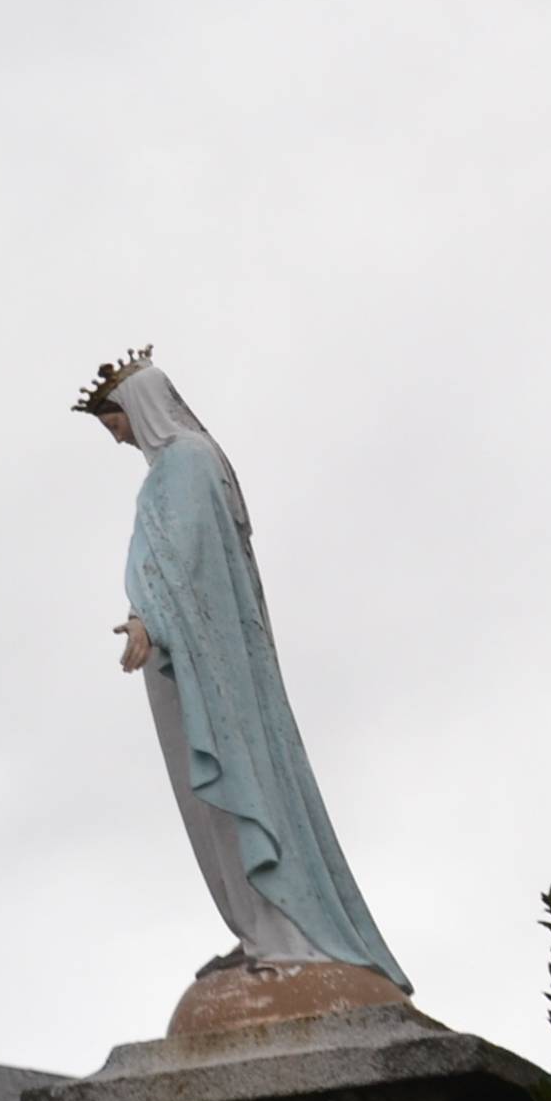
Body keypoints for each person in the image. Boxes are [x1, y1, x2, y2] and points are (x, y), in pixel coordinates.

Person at [78, 349, 409, 989]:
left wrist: (149, 617)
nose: (116, 434)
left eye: (113, 420)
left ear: (137, 406)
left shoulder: (186, 464)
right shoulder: (181, 467)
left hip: (201, 654)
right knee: (212, 798)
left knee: (235, 777)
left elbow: (183, 557)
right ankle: (259, 928)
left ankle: (284, 928)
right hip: (186, 650)